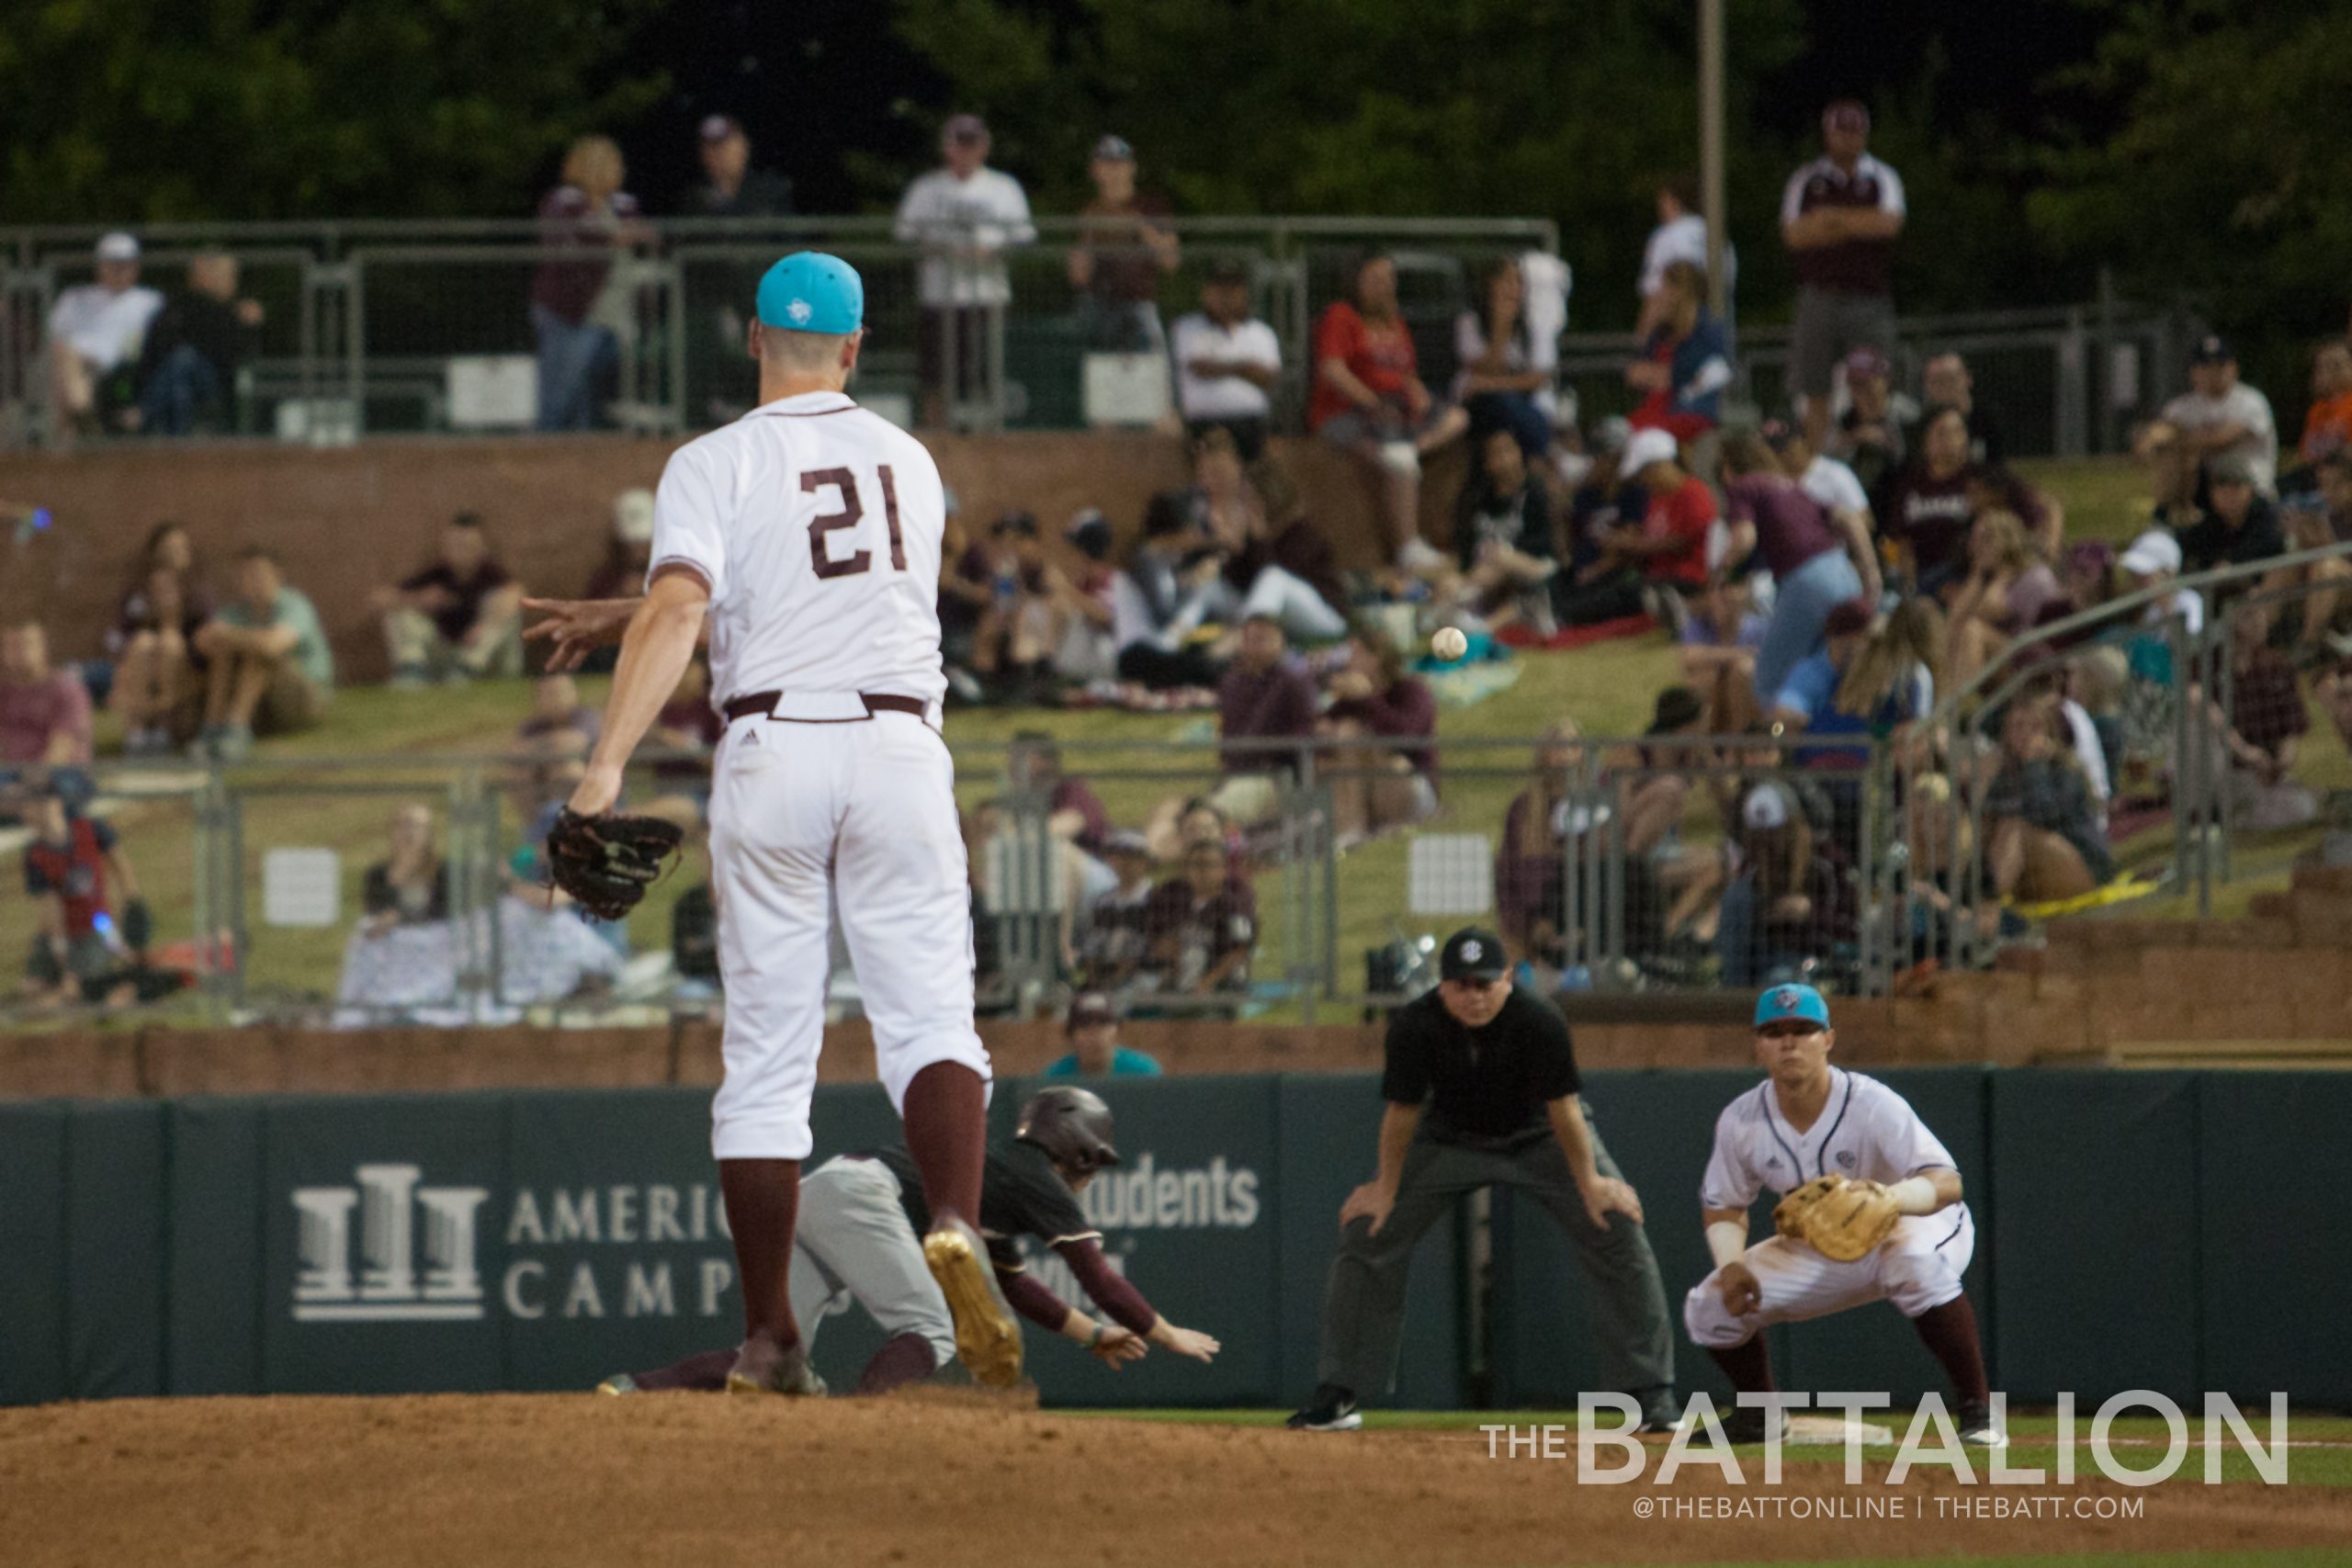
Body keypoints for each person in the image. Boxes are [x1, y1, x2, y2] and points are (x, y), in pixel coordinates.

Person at [521, 252, 1012, 1399]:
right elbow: (821, 582)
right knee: (931, 1016)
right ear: (853, 348)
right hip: (897, 750)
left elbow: (694, 603)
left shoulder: (711, 460)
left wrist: (602, 770)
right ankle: (955, 1223)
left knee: (767, 1062)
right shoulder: (909, 458)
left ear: (752, 339)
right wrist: (631, 612)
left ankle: (768, 1339)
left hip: (773, 751)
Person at [1288, 927, 1677, 1433]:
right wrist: (1384, 1188)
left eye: (1485, 984)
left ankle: (1651, 1394)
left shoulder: (1539, 1020)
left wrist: (1591, 1182)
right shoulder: (1414, 1025)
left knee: (1616, 1225)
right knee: (1369, 1231)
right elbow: (1402, 1113)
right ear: (1442, 986)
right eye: (1461, 985)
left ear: (1509, 980)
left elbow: (1563, 1110)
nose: (1474, 997)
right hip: (1450, 1142)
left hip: (1540, 1137)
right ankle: (1338, 1393)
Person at [595, 1089, 1217, 1397]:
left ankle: (631, 1389)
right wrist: (1163, 1331)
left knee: (776, 1354)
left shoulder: (1006, 1169)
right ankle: (871, 1433)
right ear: (1076, 1144)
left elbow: (1006, 1280)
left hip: (824, 1193)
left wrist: (1091, 1333)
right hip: (866, 1196)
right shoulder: (1038, 1176)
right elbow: (1099, 1277)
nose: (1090, 1173)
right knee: (932, 1326)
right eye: (1092, 1159)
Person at [1686, 984, 2002, 1447]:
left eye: (1803, 1030)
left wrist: (1891, 1199)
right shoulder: (1741, 1119)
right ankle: (1761, 1417)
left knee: (1913, 1261)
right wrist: (1731, 1265)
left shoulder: (1871, 1103)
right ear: (1759, 1046)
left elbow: (1947, 1183)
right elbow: (1723, 1205)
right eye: (1774, 1032)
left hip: (1913, 1223)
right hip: (1819, 1245)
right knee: (1709, 1306)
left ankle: (1979, 1410)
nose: (1789, 1041)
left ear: (1828, 1040)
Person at [1310, 253, 1468, 570]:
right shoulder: (1341, 316)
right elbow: (1333, 370)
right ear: (1357, 283)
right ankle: (1408, 547)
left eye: (1388, 278)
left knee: (1457, 418)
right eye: (1375, 279)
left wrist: (1420, 397)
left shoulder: (1396, 322)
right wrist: (1372, 402)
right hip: (1348, 413)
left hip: (1397, 412)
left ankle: (1411, 446)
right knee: (1400, 461)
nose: (1384, 286)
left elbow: (1407, 374)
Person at [1717, 429, 1881, 704]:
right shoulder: (1795, 489)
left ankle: (1777, 742)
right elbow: (1852, 520)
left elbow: (1744, 539)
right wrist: (1871, 573)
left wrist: (1720, 569)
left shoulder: (1744, 487)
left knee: (1769, 680)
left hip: (1806, 582)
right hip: (1843, 572)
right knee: (1826, 667)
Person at [895, 114, 1035, 426]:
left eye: (972, 144)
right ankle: (938, 444)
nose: (965, 151)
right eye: (959, 144)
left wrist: (990, 252)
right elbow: (905, 235)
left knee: (986, 373)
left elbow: (1023, 238)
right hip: (938, 296)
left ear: (983, 146)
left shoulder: (1003, 188)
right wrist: (942, 251)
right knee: (936, 376)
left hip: (988, 295)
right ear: (947, 147)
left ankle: (987, 437)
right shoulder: (927, 188)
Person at [1781, 102, 1907, 451]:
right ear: (1828, 135)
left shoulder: (1881, 177)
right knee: (1814, 386)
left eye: (1856, 132)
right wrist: (1859, 224)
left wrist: (1830, 220)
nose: (1849, 140)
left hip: (1868, 297)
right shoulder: (1807, 179)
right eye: (1842, 132)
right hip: (1820, 294)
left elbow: (1888, 225)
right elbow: (1795, 235)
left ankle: (1877, 454)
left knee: (1874, 380)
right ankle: (1817, 460)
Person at [1881, 404, 2057, 600]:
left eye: (1958, 431)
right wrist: (1902, 575)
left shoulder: (1983, 477)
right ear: (1925, 440)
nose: (1951, 439)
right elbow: (1893, 541)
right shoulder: (1910, 485)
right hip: (1926, 578)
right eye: (1941, 432)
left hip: (1976, 574)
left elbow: (2047, 507)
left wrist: (2049, 547)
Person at [532, 136, 641, 432]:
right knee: (559, 394)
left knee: (589, 392)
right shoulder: (562, 201)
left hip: (612, 314)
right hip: (569, 312)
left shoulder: (619, 204)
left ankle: (578, 462)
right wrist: (610, 239)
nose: (618, 171)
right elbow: (569, 244)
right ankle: (539, 457)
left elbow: (644, 234)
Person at [1555, 427, 1712, 627]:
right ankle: (1562, 612)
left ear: (1659, 467)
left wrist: (1632, 544)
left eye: (1644, 474)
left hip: (1685, 577)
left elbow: (1684, 540)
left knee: (1626, 593)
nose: (1644, 482)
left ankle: (1566, 618)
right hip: (1655, 575)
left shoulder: (1693, 492)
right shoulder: (1656, 499)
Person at [191, 547, 334, 760]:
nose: (252, 581)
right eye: (245, 576)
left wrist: (230, 636)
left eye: (258, 574)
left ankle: (236, 730)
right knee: (227, 649)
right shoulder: (236, 612)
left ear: (278, 575)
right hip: (260, 705)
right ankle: (213, 729)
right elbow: (202, 642)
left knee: (260, 651)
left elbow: (272, 645)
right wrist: (229, 637)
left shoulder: (295, 605)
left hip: (303, 700)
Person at [1983, 689, 2115, 902]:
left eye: (2034, 727)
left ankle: (1987, 903)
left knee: (2015, 827)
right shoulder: (2005, 776)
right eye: (2018, 727)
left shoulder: (2065, 769)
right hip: (2035, 871)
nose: (2026, 734)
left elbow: (2045, 816)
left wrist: (2034, 765)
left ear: (2048, 731)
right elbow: (1988, 819)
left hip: (2084, 864)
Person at [21, 788, 145, 1009]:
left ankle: (116, 956)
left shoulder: (89, 828)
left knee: (79, 984)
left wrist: (133, 900)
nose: (39, 811)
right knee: (31, 987)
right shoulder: (36, 855)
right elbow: (51, 911)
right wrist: (61, 952)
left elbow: (120, 864)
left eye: (43, 803)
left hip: (97, 925)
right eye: (32, 806)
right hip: (64, 931)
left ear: (58, 803)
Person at [374, 513, 525, 688]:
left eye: (466, 545)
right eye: (454, 545)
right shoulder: (437, 575)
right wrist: (418, 600)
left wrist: (484, 624)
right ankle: (412, 671)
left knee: (503, 607)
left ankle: (468, 669)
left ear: (481, 548)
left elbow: (517, 595)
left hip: (484, 658)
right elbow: (380, 599)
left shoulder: (491, 574)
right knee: (401, 613)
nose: (459, 551)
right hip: (447, 658)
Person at [1320, 625, 1439, 846]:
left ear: (1376, 658)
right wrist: (1323, 729)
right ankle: (1349, 826)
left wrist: (1367, 698)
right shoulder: (1349, 702)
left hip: (1414, 790)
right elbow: (1318, 733)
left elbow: (1406, 739)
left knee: (1351, 732)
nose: (1348, 662)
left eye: (1355, 653)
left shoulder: (1412, 690)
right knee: (1331, 753)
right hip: (1373, 793)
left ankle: (1354, 826)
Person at [130, 250, 264, 436]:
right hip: (176, 377)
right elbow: (158, 344)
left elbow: (239, 354)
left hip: (217, 382)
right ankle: (178, 450)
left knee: (184, 359)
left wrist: (250, 327)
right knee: (179, 389)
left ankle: (144, 410)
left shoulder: (236, 312)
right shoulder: (180, 305)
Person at [45, 232, 163, 444]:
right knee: (63, 361)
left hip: (122, 371)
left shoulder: (150, 302)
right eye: (112, 264)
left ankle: (80, 418)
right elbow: (54, 338)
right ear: (100, 266)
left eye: (124, 265)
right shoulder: (76, 297)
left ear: (135, 267)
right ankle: (81, 416)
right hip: (77, 365)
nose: (118, 271)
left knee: (68, 372)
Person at [106, 521, 211, 755]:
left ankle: (163, 726)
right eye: (167, 550)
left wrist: (172, 621)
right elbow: (121, 642)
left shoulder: (197, 599)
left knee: (170, 642)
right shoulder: (137, 598)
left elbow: (203, 647)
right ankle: (139, 732)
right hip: (142, 677)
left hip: (184, 678)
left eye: (179, 549)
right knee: (144, 642)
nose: (173, 556)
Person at [1068, 135, 1178, 354]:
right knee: (1099, 375)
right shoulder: (1088, 211)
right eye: (1106, 164)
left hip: (1140, 302)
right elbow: (1078, 276)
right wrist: (1091, 234)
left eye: (1119, 164)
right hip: (1099, 304)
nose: (1114, 171)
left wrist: (1138, 226)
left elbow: (1170, 261)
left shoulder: (1151, 206)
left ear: (1132, 168)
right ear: (1095, 170)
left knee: (1151, 370)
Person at [1206, 614, 1317, 828]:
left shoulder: (1295, 682)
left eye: (1263, 638)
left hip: (1275, 776)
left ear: (1280, 641)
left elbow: (1304, 734)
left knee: (1213, 813)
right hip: (1236, 774)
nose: (1255, 646)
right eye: (1250, 639)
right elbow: (1228, 733)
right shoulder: (1232, 683)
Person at [1450, 428, 1561, 637]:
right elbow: (1466, 545)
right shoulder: (1476, 499)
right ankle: (1468, 613)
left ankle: (1483, 624)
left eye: (1509, 451)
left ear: (1520, 453)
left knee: (1499, 555)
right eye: (1497, 454)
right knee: (1449, 585)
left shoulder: (1535, 493)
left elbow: (1545, 544)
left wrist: (1507, 552)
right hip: (1485, 574)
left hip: (1533, 568)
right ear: (1487, 463)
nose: (1505, 459)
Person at [1170, 259, 1281, 460]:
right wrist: (1246, 367)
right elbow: (1200, 368)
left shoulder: (1262, 333)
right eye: (1219, 289)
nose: (1226, 297)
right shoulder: (1187, 328)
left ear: (1244, 293)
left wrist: (1220, 366)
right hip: (1205, 423)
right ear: (1206, 293)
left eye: (1232, 289)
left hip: (1250, 424)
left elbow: (1268, 378)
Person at [1946, 510, 2065, 689]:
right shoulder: (1992, 577)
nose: (1976, 546)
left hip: (2037, 658)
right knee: (1957, 632)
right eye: (1975, 539)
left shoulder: (2033, 576)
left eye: (1986, 539)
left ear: (2005, 540)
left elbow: (1987, 612)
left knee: (1972, 631)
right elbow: (1955, 619)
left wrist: (1993, 574)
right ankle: (1950, 702)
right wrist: (1978, 574)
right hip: (2013, 653)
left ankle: (1959, 706)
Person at [1453, 257, 1558, 459]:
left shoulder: (1531, 329)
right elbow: (1483, 369)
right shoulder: (1470, 323)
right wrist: (1501, 328)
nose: (1512, 289)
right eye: (1505, 281)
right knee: (1504, 403)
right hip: (1481, 406)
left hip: (1517, 403)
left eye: (1517, 282)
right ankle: (1543, 453)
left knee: (1520, 408)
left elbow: (1537, 379)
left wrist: (1490, 384)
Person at [1138, 839, 1258, 1004]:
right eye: (1196, 865)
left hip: (1222, 987)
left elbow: (1241, 950)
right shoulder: (1177, 902)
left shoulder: (1233, 904)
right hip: (1180, 983)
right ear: (1185, 869)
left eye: (1210, 865)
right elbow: (1159, 943)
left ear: (1223, 869)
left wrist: (1208, 981)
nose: (1203, 871)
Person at [1626, 260, 1731, 442]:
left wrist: (1659, 375)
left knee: (1639, 437)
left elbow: (1681, 375)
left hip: (1688, 408)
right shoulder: (1663, 330)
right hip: (1659, 408)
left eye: (1665, 286)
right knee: (1618, 436)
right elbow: (1635, 372)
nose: (1659, 292)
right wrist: (1648, 324)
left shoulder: (1705, 329)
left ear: (1679, 291)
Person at [2162, 335, 2278, 497]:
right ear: (2193, 372)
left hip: (2251, 492)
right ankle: (2177, 513)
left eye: (2221, 365)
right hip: (2205, 494)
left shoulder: (2252, 401)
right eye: (2206, 366)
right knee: (2178, 462)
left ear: (2234, 368)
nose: (2214, 372)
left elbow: (2221, 440)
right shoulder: (2182, 407)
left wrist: (2176, 440)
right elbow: (2153, 439)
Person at [1, 623, 94, 824]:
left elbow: (58, 755)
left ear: (43, 647)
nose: (19, 653)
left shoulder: (67, 690)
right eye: (11, 646)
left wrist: (22, 791)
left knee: (44, 799)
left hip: (63, 776)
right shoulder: (4, 692)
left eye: (26, 644)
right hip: (13, 777)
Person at [1637, 175, 1735, 340]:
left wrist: (1642, 340)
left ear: (1674, 200)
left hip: (1679, 339)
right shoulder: (1718, 237)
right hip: (1721, 335)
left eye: (1663, 199)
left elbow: (1655, 296)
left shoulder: (1667, 236)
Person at [2178, 454, 2287, 581]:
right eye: (2221, 486)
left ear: (2251, 490)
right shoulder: (2210, 524)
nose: (2228, 494)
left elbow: (2268, 546)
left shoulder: (2266, 517)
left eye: (2235, 486)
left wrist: (2233, 563)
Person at [1827, 345, 1908, 500]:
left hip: (1898, 498)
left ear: (1885, 381)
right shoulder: (1843, 422)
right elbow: (1826, 462)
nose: (1864, 391)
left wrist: (1886, 442)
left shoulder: (1906, 414)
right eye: (1857, 385)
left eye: (1870, 382)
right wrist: (1854, 439)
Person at [360, 805, 451, 938]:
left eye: (417, 826)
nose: (409, 832)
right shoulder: (377, 874)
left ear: (429, 833)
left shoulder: (444, 872)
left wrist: (402, 917)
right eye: (402, 825)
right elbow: (374, 912)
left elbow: (446, 913)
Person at [1917, 352, 2006, 467]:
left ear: (1968, 379)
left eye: (1950, 378)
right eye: (1936, 381)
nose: (1944, 386)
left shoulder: (1989, 419)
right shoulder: (1924, 425)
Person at [1044, 993, 1164, 1077]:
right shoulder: (1055, 1079)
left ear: (1116, 1031)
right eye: (1085, 1027)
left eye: (1102, 1025)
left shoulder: (1143, 1073)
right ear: (1071, 1036)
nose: (1094, 1035)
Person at [2297, 341, 2352, 470]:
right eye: (2321, 367)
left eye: (2336, 366)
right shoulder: (2316, 410)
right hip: (2318, 475)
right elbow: (2306, 455)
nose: (2328, 373)